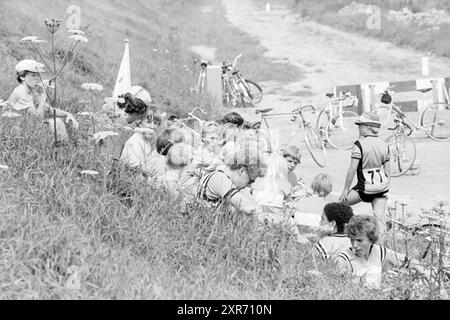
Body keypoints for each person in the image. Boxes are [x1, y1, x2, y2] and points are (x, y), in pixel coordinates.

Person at [334, 215, 432, 289]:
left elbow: (410, 262)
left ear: (371, 239)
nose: (354, 245)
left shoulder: (379, 252)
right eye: (352, 240)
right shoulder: (343, 259)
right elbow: (341, 288)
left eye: (359, 240)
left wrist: (431, 280)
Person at [340, 112, 391, 239]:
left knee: (340, 206)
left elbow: (352, 169)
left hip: (364, 188)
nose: (358, 127)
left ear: (368, 127)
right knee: (380, 218)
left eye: (360, 125)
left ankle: (343, 233)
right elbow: (388, 171)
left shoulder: (359, 145)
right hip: (381, 188)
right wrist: (385, 185)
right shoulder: (385, 144)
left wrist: (346, 189)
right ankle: (382, 249)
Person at [7, 59, 79, 141]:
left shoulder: (33, 89)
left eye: (38, 75)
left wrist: (67, 114)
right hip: (16, 129)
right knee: (57, 122)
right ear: (22, 77)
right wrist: (43, 96)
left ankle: (64, 147)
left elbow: (49, 110)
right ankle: (62, 147)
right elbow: (37, 117)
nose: (37, 78)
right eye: (33, 75)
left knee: (65, 120)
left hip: (30, 124)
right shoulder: (20, 92)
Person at [196, 138, 266, 214]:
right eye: (251, 181)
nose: (249, 185)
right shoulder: (219, 178)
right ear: (242, 171)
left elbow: (251, 204)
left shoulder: (228, 182)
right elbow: (247, 207)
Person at [252, 154, 305, 242]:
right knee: (291, 220)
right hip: (276, 219)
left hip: (258, 217)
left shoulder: (257, 182)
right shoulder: (283, 185)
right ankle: (298, 238)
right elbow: (288, 206)